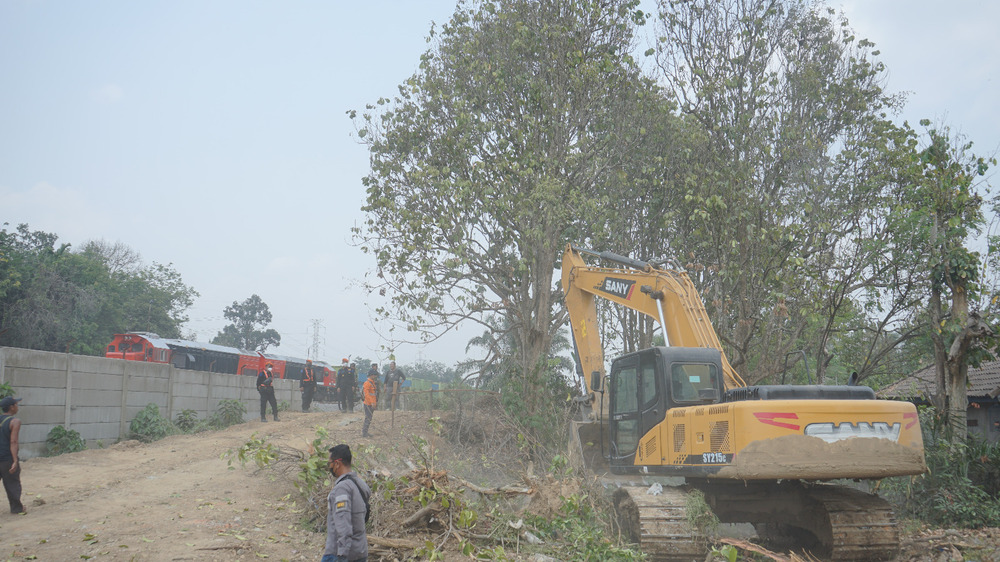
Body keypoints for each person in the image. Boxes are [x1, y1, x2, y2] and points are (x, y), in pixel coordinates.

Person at [323, 444, 370, 562]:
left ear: (337, 463)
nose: (330, 467)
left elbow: (344, 525)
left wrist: (342, 555)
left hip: (340, 554)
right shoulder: (360, 483)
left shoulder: (342, 489)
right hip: (360, 551)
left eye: (330, 464)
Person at [0, 396, 25, 515]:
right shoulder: (15, 421)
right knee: (12, 484)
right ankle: (16, 509)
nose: (17, 407)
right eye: (16, 404)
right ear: (12, 407)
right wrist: (15, 460)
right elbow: (13, 442)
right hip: (6, 458)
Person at [362, 371, 377, 438]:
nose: (375, 376)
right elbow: (367, 395)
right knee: (368, 418)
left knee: (369, 418)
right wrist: (372, 403)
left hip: (371, 404)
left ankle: (365, 432)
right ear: (371, 375)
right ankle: (364, 433)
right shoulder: (367, 383)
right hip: (368, 404)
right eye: (374, 375)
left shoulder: (372, 383)